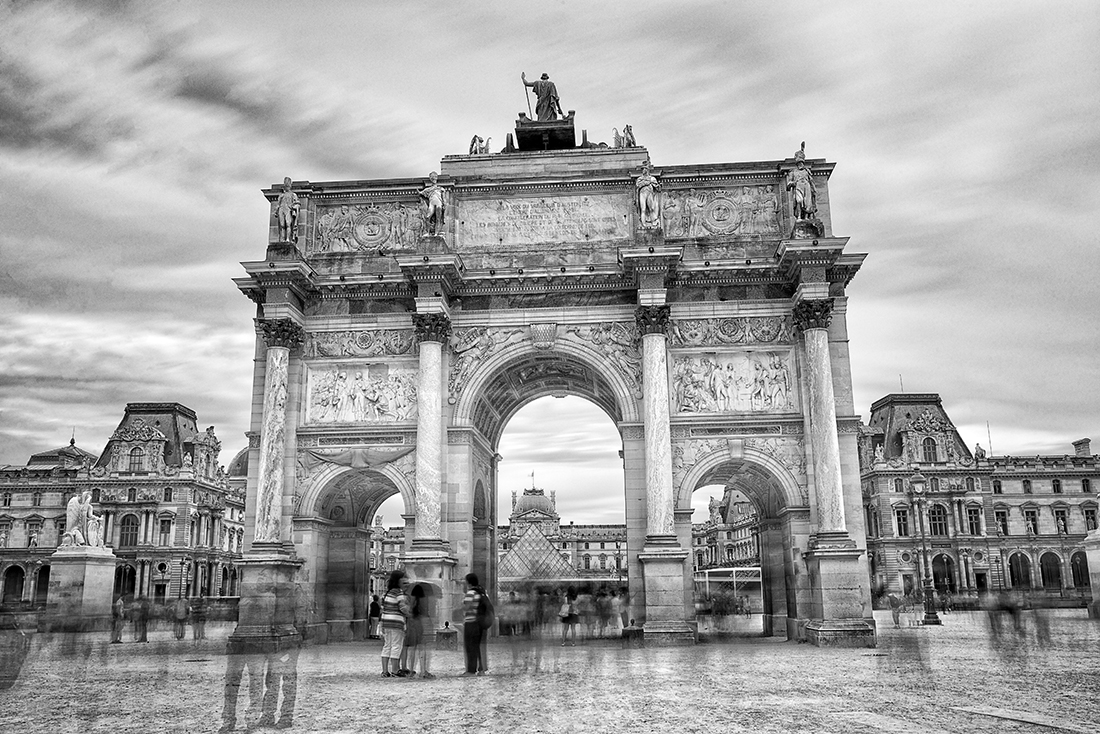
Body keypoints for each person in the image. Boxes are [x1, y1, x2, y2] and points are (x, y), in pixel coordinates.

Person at [380, 570, 410, 677]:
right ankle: (395, 670)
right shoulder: (398, 592)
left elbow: (383, 608)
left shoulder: (387, 593)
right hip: (396, 622)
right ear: (398, 580)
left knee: (387, 646)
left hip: (386, 622)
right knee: (396, 646)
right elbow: (402, 607)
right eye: (403, 578)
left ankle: (385, 671)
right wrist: (410, 614)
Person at [406, 584, 434, 679]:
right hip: (423, 622)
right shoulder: (424, 600)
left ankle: (411, 670)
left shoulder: (411, 600)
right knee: (423, 648)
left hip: (412, 623)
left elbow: (409, 611)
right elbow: (428, 611)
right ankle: (423, 670)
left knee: (412, 649)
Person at [462, 573, 488, 675]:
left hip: (471, 622)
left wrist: (458, 608)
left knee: (470, 647)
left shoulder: (470, 593)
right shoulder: (482, 592)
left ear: (468, 582)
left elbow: (466, 607)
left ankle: (471, 670)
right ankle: (481, 669)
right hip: (480, 623)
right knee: (478, 647)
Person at [785, 143, 817, 221]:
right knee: (799, 201)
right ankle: (799, 216)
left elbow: (811, 181)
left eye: (802, 163)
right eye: (800, 163)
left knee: (807, 202)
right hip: (798, 186)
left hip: (806, 186)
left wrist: (814, 190)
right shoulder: (793, 172)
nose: (801, 165)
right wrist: (791, 183)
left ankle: (806, 217)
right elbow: (788, 185)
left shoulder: (807, 171)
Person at [636, 162, 661, 229]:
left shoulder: (652, 178)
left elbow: (657, 187)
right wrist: (647, 182)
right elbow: (638, 185)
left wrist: (658, 186)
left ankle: (653, 223)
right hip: (642, 194)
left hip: (649, 193)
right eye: (642, 169)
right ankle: (643, 224)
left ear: (647, 170)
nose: (643, 170)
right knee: (643, 209)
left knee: (651, 208)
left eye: (644, 169)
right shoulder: (639, 179)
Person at [275, 176, 299, 242]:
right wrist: (276, 211)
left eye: (288, 185)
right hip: (281, 209)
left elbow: (297, 203)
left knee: (288, 224)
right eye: (286, 185)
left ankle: (288, 239)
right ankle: (282, 239)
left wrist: (295, 207)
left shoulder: (293, 195)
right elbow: (278, 204)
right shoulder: (281, 195)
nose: (287, 186)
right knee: (282, 225)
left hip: (288, 209)